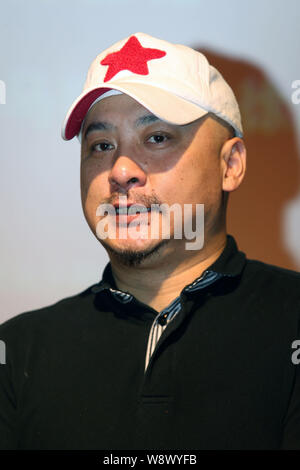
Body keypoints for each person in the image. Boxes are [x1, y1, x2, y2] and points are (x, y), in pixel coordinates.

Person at [0, 32, 300, 451]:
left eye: (157, 138)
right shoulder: (17, 351)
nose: (121, 170)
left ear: (230, 164)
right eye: (101, 145)